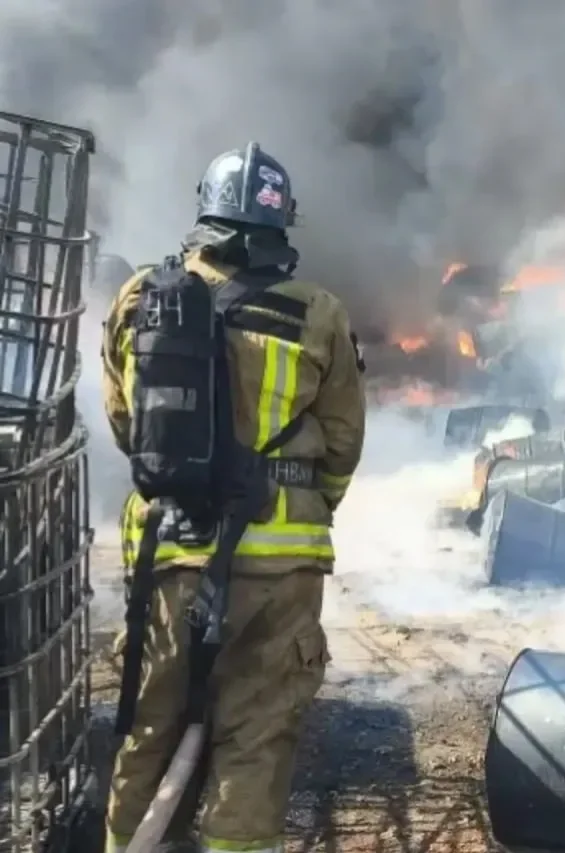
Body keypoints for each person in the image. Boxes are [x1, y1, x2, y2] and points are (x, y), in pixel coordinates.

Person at [100, 142, 366, 853]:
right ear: (282, 227)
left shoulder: (139, 299)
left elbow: (127, 423)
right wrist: (306, 503)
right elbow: (343, 443)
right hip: (277, 576)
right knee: (254, 739)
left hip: (168, 552)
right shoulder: (318, 313)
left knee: (148, 731)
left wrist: (183, 479)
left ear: (205, 214)